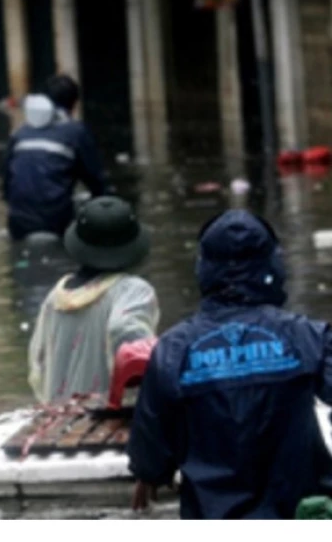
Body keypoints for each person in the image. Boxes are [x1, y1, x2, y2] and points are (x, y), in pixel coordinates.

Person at [128, 210, 332, 519]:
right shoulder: (307, 336)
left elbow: (150, 445)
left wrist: (150, 472)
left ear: (204, 267)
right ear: (272, 263)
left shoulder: (173, 350)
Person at [28, 196, 158, 403]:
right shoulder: (132, 291)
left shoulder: (55, 298)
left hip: (60, 424)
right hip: (106, 423)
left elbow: (39, 365)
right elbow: (126, 332)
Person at [3, 75, 107, 242]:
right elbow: (96, 181)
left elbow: (7, 186)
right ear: (74, 104)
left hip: (18, 223)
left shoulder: (20, 134)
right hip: (55, 223)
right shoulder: (76, 132)